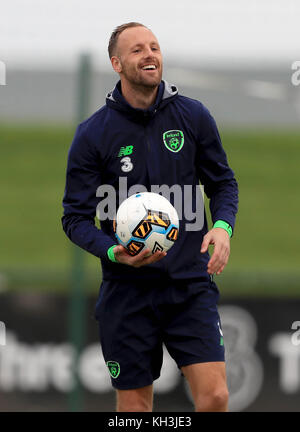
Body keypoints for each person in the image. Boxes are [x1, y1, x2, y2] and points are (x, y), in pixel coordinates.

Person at [62, 22, 238, 412]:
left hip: (190, 285)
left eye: (154, 47)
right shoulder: (93, 134)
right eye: (138, 49)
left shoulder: (193, 116)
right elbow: (74, 217)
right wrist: (113, 252)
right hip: (127, 293)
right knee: (135, 408)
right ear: (117, 63)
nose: (150, 55)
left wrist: (223, 228)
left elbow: (223, 183)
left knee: (216, 397)